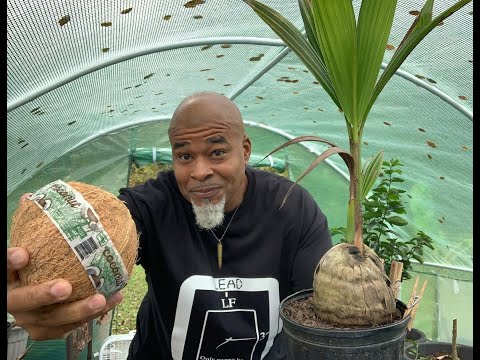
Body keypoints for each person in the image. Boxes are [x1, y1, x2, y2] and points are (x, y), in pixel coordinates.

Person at [7, 91, 333, 360]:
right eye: (185, 156)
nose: (199, 171)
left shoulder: (292, 208)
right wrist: (41, 278)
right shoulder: (155, 205)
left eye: (217, 152)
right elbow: (108, 227)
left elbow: (316, 315)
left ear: (245, 151)